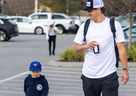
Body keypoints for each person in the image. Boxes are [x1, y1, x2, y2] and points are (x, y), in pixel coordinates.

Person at [74, 0, 129, 96]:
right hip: (88, 76)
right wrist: (86, 46)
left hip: (108, 75)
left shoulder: (114, 25)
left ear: (98, 9)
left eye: (90, 11)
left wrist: (125, 70)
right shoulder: (85, 26)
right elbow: (77, 48)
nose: (88, 13)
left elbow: (121, 48)